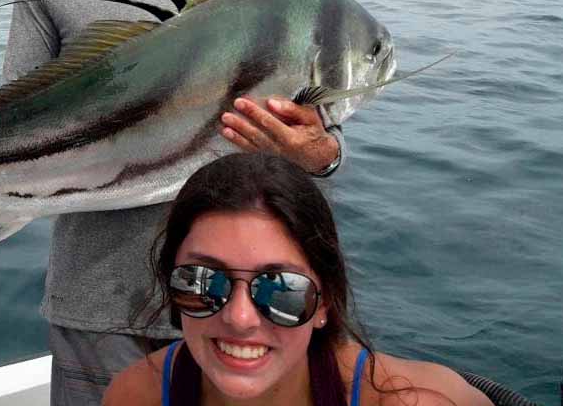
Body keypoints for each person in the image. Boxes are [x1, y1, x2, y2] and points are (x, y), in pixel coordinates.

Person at [1, 0, 343, 404]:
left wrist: (320, 155)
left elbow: (316, 129)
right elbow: (14, 117)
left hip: (244, 306)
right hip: (97, 301)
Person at [103, 153, 492, 406]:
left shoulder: (414, 401)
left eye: (281, 290)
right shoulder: (136, 396)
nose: (240, 318)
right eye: (203, 281)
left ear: (324, 302)